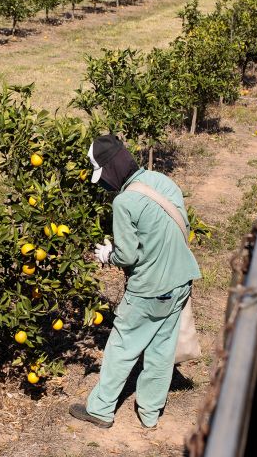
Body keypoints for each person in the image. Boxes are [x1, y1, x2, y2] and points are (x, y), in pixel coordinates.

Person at [69, 134, 201, 430]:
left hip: (148, 290)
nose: (104, 183)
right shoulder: (162, 181)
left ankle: (101, 410)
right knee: (161, 349)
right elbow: (183, 224)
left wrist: (109, 255)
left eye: (103, 175)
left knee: (122, 346)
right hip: (180, 281)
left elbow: (128, 256)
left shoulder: (125, 202)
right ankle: (150, 413)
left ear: (112, 168)